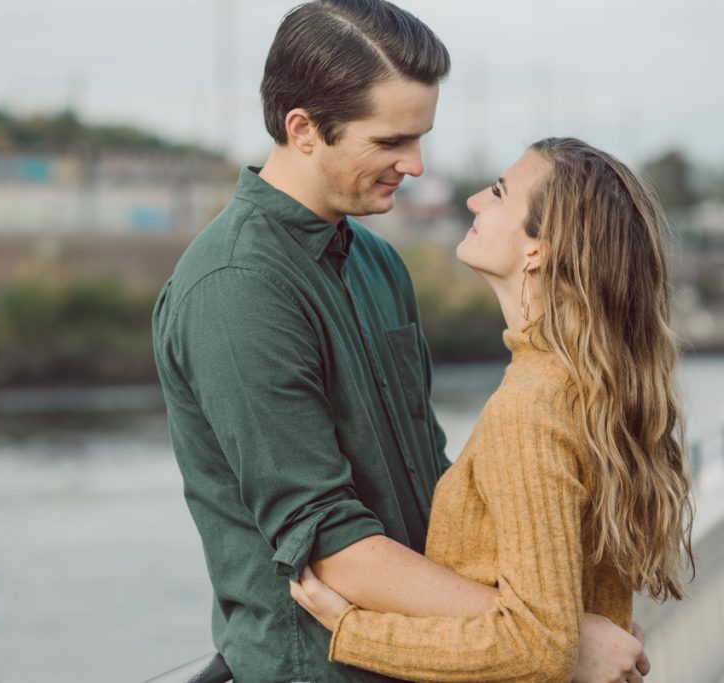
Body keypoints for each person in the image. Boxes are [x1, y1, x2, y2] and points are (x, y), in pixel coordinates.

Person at [152, 0, 651, 679]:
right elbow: (329, 544)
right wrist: (559, 637)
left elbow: (433, 481)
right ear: (303, 129)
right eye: (390, 142)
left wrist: (542, 618)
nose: (415, 164)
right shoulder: (235, 287)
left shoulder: (379, 262)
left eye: (420, 138)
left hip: (434, 660)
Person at [290, 137, 694, 682]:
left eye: (500, 193)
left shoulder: (531, 407)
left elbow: (539, 645)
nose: (475, 199)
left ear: (537, 250)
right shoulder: (589, 389)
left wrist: (353, 630)